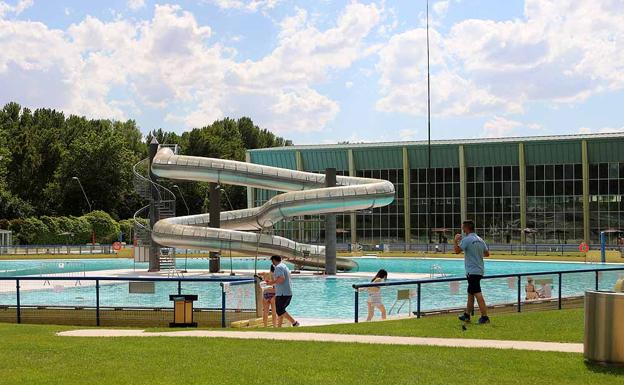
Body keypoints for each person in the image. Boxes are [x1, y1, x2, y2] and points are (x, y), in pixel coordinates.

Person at [454, 220, 490, 324]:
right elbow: (487, 254)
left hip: (472, 271)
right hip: (479, 270)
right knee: (470, 293)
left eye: (463, 228)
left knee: (477, 294)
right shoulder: (480, 239)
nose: (462, 229)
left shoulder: (467, 239)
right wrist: (476, 255)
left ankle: (485, 317)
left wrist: (455, 241)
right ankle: (467, 315)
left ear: (466, 228)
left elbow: (457, 251)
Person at [264, 255, 299, 327]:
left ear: (274, 260)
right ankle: (279, 327)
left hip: (283, 293)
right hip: (286, 292)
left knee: (279, 310)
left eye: (272, 261)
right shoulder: (284, 266)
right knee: (281, 310)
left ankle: (294, 323)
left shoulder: (278, 267)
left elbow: (281, 279)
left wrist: (271, 282)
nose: (272, 263)